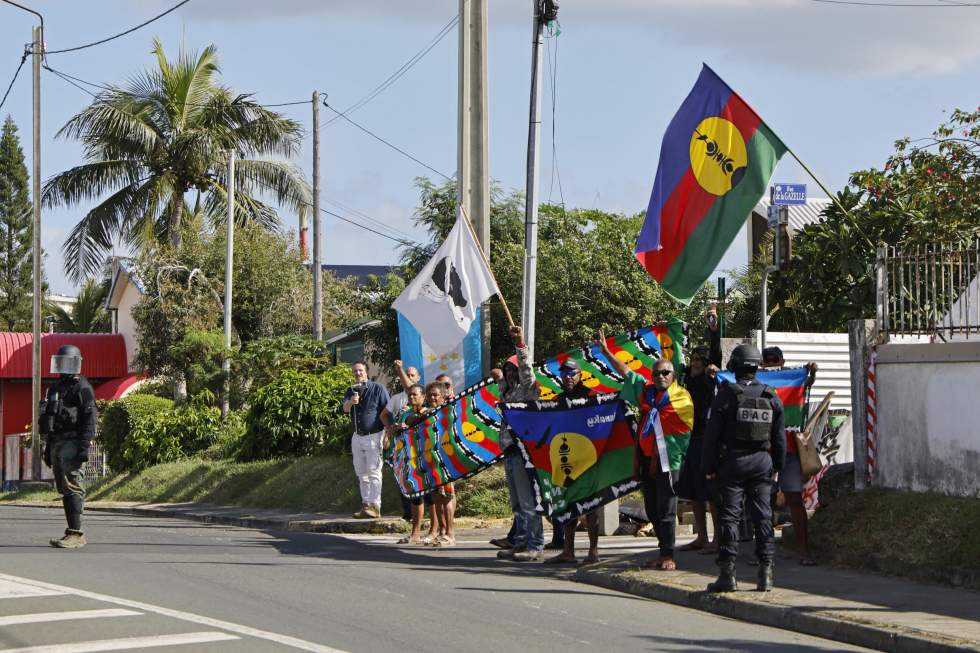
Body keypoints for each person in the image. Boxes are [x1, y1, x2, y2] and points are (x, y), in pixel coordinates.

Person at [598, 333, 693, 571]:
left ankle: (669, 554)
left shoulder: (681, 397)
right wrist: (607, 354)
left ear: (673, 376)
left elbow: (685, 430)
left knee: (667, 508)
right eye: (657, 373)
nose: (661, 376)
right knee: (651, 508)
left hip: (668, 461)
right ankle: (662, 550)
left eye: (666, 373)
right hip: (647, 460)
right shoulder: (648, 394)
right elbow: (626, 373)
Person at [703, 344, 786, 592]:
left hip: (733, 463)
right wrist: (777, 467)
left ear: (735, 366)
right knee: (763, 517)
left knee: (729, 517)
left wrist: (708, 467)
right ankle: (766, 574)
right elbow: (780, 438)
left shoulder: (727, 394)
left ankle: (728, 575)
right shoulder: (771, 396)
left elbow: (712, 436)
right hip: (762, 463)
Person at [761, 346, 819, 566]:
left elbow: (806, 386)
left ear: (782, 361)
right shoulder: (756, 383)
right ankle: (764, 552)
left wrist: (810, 374)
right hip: (764, 451)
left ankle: (804, 550)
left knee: (794, 499)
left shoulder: (791, 383)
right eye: (767, 360)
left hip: (789, 451)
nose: (771, 363)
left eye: (774, 359)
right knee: (762, 502)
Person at [544, 358, 602, 566]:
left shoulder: (591, 395)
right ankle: (568, 551)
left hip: (587, 460)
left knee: (591, 506)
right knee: (568, 505)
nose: (567, 377)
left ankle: (593, 550)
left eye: (571, 373)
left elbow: (600, 423)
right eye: (564, 374)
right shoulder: (557, 399)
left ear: (580, 374)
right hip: (565, 460)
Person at [38, 344, 97, 549]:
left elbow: (90, 418)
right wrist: (47, 448)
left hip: (72, 442)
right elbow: (50, 419)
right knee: (64, 488)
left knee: (72, 486)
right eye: (60, 362)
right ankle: (71, 531)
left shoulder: (82, 387)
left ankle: (77, 534)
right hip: (57, 443)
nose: (63, 367)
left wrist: (84, 447)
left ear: (76, 363)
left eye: (67, 362)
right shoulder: (55, 388)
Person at [496, 325, 545, 563]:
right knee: (517, 504)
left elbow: (528, 372)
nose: (510, 374)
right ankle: (520, 542)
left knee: (529, 502)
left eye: (513, 369)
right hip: (510, 453)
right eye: (507, 371)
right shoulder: (507, 395)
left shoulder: (528, 391)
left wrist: (521, 345)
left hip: (526, 453)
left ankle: (535, 545)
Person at [676, 313, 723, 554]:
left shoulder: (708, 378)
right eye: (693, 359)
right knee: (693, 492)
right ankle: (701, 537)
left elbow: (715, 354)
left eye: (699, 360)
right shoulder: (686, 379)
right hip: (689, 441)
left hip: (707, 441)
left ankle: (717, 538)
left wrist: (714, 330)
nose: (694, 363)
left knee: (710, 493)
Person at [389, 383, 439, 545]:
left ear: (423, 397)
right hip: (410, 460)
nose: (411, 397)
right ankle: (415, 533)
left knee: (431, 496)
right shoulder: (404, 413)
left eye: (415, 395)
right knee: (416, 496)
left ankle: (434, 530)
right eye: (409, 395)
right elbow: (397, 428)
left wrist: (408, 424)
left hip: (428, 458)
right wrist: (396, 428)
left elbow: (421, 423)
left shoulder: (429, 412)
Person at [342, 361, 390, 519]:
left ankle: (376, 506)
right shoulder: (351, 390)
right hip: (357, 436)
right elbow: (343, 409)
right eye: (355, 371)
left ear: (366, 372)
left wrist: (388, 434)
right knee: (361, 473)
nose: (358, 373)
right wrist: (351, 401)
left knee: (374, 471)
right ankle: (366, 505)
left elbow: (387, 410)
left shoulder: (378, 388)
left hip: (374, 435)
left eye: (360, 370)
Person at [381, 361, 422, 521]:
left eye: (412, 375)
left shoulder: (422, 396)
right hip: (401, 446)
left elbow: (417, 416)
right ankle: (408, 514)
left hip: (419, 445)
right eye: (407, 374)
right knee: (403, 478)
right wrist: (389, 430)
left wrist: (399, 369)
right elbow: (384, 415)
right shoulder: (398, 398)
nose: (409, 377)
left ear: (418, 378)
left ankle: (422, 517)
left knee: (419, 480)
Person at [421, 381, 456, 546]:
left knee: (447, 497)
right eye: (430, 395)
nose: (432, 398)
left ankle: (450, 534)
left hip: (445, 460)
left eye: (435, 395)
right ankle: (441, 532)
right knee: (436, 498)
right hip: (430, 460)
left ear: (442, 396)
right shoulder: (425, 413)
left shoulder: (449, 411)